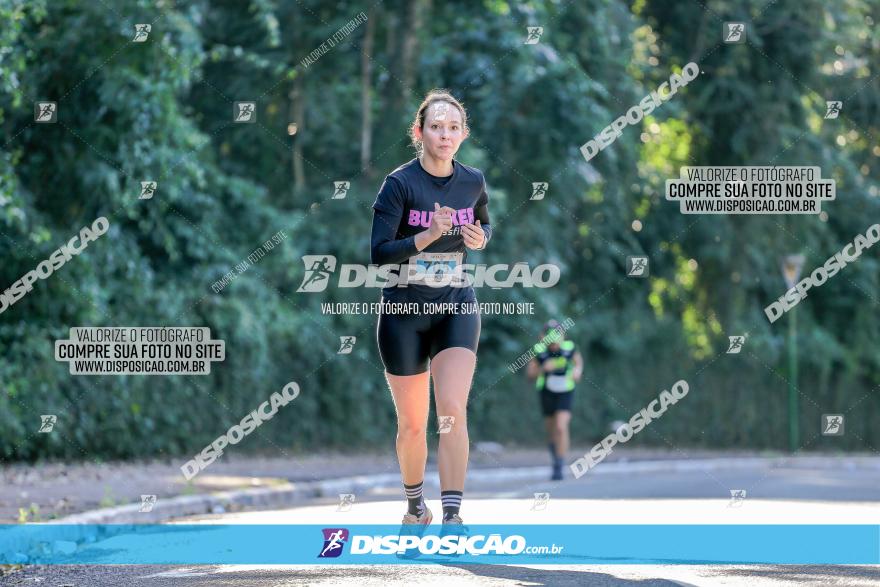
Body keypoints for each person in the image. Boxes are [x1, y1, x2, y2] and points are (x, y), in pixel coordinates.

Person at [370, 89, 492, 532]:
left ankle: (454, 515)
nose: (445, 135)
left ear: (463, 134)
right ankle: (415, 506)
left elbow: (483, 219)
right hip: (403, 312)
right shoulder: (399, 184)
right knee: (412, 426)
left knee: (453, 410)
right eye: (436, 127)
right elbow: (378, 254)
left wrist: (480, 237)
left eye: (454, 127)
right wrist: (427, 236)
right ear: (419, 132)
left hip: (456, 304)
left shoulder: (472, 180)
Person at [526, 320, 583, 480]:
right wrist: (543, 368)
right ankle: (555, 454)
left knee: (560, 427)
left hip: (566, 391)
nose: (554, 344)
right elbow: (530, 375)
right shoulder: (538, 350)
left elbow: (578, 363)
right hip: (547, 392)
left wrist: (577, 371)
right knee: (551, 431)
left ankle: (559, 465)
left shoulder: (570, 348)